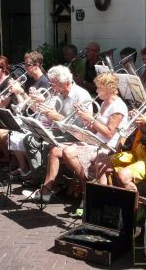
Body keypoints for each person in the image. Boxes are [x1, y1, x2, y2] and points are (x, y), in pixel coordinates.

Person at [23, 72, 127, 203]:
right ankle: (46, 191)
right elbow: (95, 130)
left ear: (109, 88)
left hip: (105, 146)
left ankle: (86, 187)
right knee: (55, 150)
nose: (96, 90)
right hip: (95, 141)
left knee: (68, 151)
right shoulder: (104, 103)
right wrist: (85, 120)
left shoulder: (117, 107)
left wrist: (91, 119)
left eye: (99, 88)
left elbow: (109, 133)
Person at [22, 65, 92, 184]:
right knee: (29, 139)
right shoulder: (59, 92)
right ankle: (40, 176)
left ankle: (53, 183)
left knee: (47, 143)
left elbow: (81, 127)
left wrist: (57, 117)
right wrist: (41, 102)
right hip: (59, 130)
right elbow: (49, 112)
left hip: (75, 135)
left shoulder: (81, 95)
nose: (51, 85)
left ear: (65, 82)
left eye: (54, 83)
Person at [8, 51, 50, 177]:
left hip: (39, 120)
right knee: (12, 134)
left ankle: (33, 170)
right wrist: (17, 92)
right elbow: (25, 104)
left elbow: (37, 109)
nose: (25, 68)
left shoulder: (45, 82)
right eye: (25, 64)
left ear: (36, 65)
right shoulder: (30, 80)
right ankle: (24, 167)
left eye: (27, 65)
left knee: (17, 137)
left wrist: (21, 92)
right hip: (29, 116)